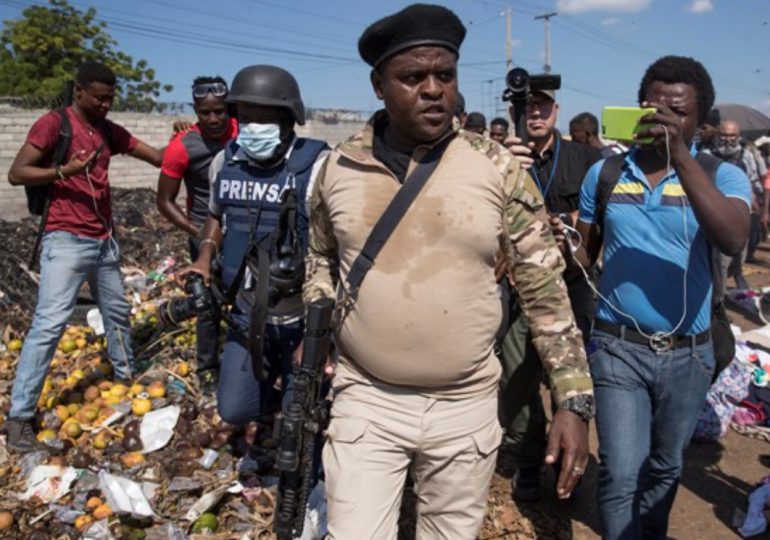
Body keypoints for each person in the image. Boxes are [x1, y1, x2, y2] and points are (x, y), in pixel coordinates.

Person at [304, 5, 594, 538]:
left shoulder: (496, 166)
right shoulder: (337, 168)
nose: (434, 89)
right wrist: (318, 326)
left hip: (465, 405)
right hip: (367, 399)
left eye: (445, 75)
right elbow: (320, 257)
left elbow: (545, 290)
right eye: (414, 77)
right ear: (379, 85)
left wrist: (573, 399)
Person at [571, 55, 750, 540]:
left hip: (688, 356)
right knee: (621, 471)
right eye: (653, 107)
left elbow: (733, 239)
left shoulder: (720, 175)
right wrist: (559, 242)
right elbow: (584, 258)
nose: (663, 119)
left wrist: (684, 159)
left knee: (666, 465)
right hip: (617, 347)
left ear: (700, 122)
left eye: (678, 112)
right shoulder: (605, 175)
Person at [3, 62, 164, 452]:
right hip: (65, 239)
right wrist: (64, 170)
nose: (106, 104)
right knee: (49, 324)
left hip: (104, 240)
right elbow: (16, 173)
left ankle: (125, 377)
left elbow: (156, 157)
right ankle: (20, 418)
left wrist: (184, 138)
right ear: (79, 92)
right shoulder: (53, 124)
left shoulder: (108, 130)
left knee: (117, 310)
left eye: (111, 98)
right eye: (99, 97)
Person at [181, 65, 329, 426]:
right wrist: (204, 257)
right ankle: (273, 398)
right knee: (234, 410)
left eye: (264, 121)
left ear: (288, 121)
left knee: (304, 417)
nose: (253, 129)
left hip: (302, 314)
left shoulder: (319, 166)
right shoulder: (225, 161)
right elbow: (217, 215)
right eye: (246, 120)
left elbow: (336, 245)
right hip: (246, 312)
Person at [504, 81, 601, 501]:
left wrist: (572, 226)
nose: (535, 114)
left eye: (542, 106)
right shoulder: (503, 159)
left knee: (573, 381)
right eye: (527, 108)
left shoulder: (585, 159)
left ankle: (567, 465)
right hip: (517, 288)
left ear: (557, 111)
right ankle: (528, 462)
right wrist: (503, 169)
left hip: (573, 285)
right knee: (518, 380)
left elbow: (600, 220)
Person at [156, 76, 238, 391]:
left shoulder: (244, 133)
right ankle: (207, 368)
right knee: (205, 302)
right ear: (196, 110)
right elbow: (164, 201)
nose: (214, 119)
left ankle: (245, 356)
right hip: (204, 230)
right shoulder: (182, 147)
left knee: (244, 295)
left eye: (220, 111)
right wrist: (199, 232)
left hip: (243, 230)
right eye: (206, 112)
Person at [707, 120, 765, 285]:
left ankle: (738, 275)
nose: (727, 139)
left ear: (738, 136)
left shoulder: (749, 155)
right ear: (718, 135)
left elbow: (756, 181)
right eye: (724, 135)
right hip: (715, 212)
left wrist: (759, 205)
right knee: (720, 259)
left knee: (740, 251)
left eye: (732, 135)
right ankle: (718, 298)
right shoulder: (707, 155)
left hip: (743, 212)